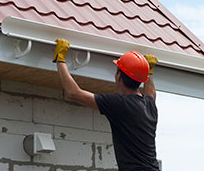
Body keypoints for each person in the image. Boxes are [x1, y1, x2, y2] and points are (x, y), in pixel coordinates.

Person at [54, 39, 159, 171]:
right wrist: (149, 72)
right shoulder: (149, 105)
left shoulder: (120, 104)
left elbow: (74, 93)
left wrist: (60, 59)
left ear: (118, 76)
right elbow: (151, 92)